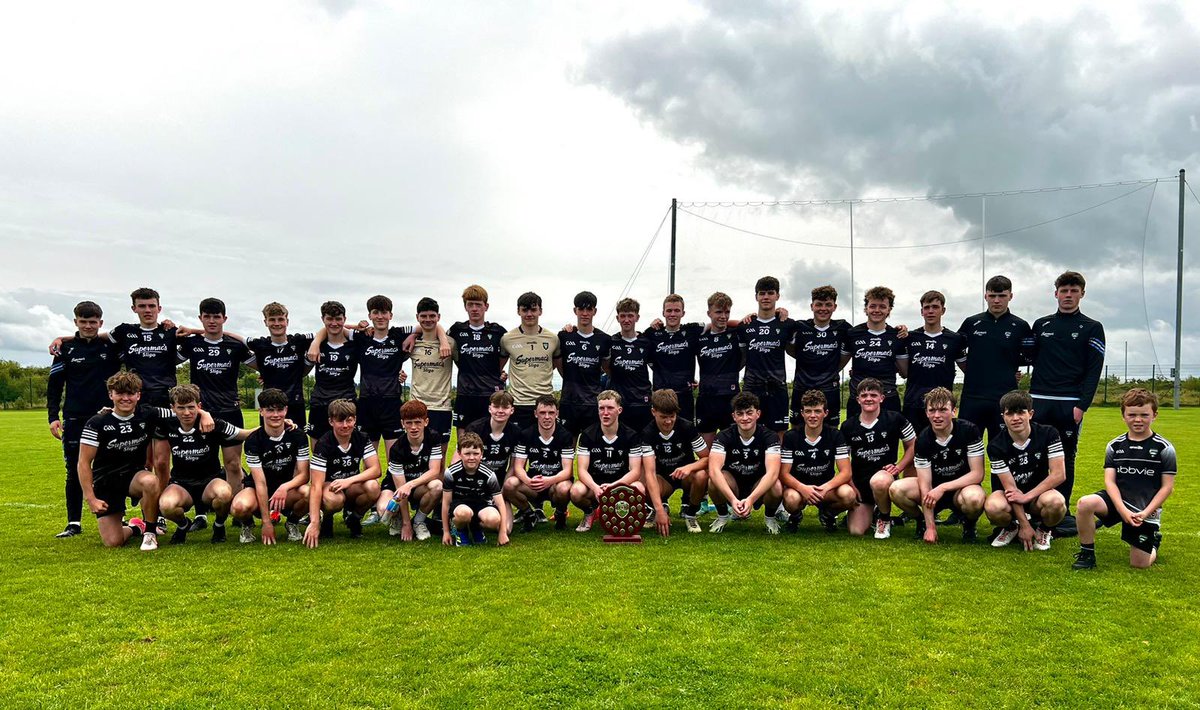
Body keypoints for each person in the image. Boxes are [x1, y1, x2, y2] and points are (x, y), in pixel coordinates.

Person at [1029, 270, 1106, 537]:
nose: (1069, 295)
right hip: (1039, 400)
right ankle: (1035, 509)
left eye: (1074, 291)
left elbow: (1094, 370)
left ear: (1082, 294)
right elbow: (1028, 357)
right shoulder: (1041, 324)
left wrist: (1082, 404)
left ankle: (1060, 513)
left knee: (1064, 458)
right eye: (1064, 291)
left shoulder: (1092, 327)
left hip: (1069, 403)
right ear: (1056, 294)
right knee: (1034, 455)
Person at [76, 371, 187, 551]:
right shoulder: (96, 423)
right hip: (106, 481)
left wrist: (203, 414)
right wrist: (91, 499)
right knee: (113, 542)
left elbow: (182, 411)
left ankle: (150, 532)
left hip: (134, 476)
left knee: (150, 481)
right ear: (111, 395)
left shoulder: (149, 413)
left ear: (138, 395)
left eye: (130, 393)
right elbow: (83, 463)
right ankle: (137, 527)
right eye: (120, 393)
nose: (125, 398)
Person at [1073, 388, 1175, 570]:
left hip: (1144, 509)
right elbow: (1110, 482)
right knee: (1085, 503)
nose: (1138, 420)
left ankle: (1153, 543)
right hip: (1116, 502)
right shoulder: (1114, 445)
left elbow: (1167, 487)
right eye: (1132, 415)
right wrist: (1122, 510)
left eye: (1144, 415)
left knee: (1139, 564)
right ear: (1123, 416)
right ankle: (1087, 554)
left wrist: (1145, 513)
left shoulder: (1164, 448)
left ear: (1154, 415)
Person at [46, 300, 120, 538]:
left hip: (107, 417)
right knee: (74, 469)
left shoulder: (111, 348)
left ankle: (117, 514)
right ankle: (74, 523)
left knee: (111, 468)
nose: (88, 326)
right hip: (75, 417)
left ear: (101, 322)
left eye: (93, 322)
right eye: (83, 322)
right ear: (75, 322)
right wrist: (52, 417)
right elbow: (54, 386)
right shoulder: (65, 350)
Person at [157, 384, 258, 544]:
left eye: (191, 407)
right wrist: (108, 413)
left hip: (210, 482)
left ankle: (219, 525)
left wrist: (278, 426)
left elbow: (243, 434)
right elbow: (139, 412)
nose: (187, 413)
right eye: (181, 408)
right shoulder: (166, 423)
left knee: (224, 494)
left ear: (199, 406)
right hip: (181, 484)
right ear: (172, 408)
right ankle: (183, 525)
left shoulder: (213, 424)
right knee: (166, 505)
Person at [175, 297, 256, 494]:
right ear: (200, 318)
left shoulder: (235, 346)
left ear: (224, 319)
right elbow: (165, 363)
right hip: (202, 413)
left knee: (233, 463)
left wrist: (264, 375)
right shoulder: (192, 344)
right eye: (207, 317)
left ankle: (237, 510)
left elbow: (261, 365)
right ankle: (204, 510)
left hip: (230, 410)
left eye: (216, 317)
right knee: (203, 462)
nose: (212, 321)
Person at [889, 388, 986, 544]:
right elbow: (924, 483)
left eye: (943, 410)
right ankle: (921, 522)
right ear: (926, 413)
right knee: (897, 489)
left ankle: (969, 524)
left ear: (954, 411)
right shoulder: (923, 439)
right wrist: (931, 527)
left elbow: (977, 474)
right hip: (932, 489)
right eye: (932, 410)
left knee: (974, 498)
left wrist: (943, 488)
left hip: (961, 489)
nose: (937, 416)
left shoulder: (969, 430)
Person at [982, 391, 1067, 551]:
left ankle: (1044, 529)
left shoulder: (1049, 433)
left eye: (1021, 412)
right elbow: (1010, 489)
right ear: (1003, 416)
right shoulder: (995, 445)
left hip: (1038, 495)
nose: (1015, 418)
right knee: (993, 507)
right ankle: (1010, 528)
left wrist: (1027, 496)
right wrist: (1024, 525)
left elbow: (1059, 474)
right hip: (1009, 496)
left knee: (1057, 502)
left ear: (1031, 414)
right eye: (1010, 413)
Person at [956, 275, 1032, 442]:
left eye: (1002, 296)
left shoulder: (1021, 326)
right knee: (967, 447)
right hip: (973, 397)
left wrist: (1010, 368)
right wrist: (969, 369)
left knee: (1002, 448)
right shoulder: (971, 322)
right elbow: (956, 349)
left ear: (1010, 296)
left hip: (1004, 399)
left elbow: (1030, 357)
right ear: (985, 296)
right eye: (992, 296)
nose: (997, 300)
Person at [230, 388, 311, 545]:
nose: (275, 415)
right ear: (261, 411)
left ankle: (292, 522)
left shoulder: (298, 436)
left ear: (286, 410)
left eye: (280, 410)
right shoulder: (253, 441)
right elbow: (260, 482)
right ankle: (248, 525)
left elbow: (304, 475)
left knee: (309, 492)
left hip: (286, 491)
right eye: (270, 410)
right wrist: (266, 522)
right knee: (238, 507)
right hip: (257, 489)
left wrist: (284, 487)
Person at [839, 377, 916, 539]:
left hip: (884, 478)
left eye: (873, 395)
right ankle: (874, 510)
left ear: (882, 398)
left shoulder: (896, 419)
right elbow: (843, 460)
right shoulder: (848, 426)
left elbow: (913, 445)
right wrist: (851, 485)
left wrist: (899, 467)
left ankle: (884, 518)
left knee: (879, 481)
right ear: (858, 399)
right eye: (864, 395)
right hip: (861, 483)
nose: (868, 398)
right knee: (856, 531)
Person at [303, 399, 381, 544]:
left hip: (351, 485)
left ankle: (354, 518)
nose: (345, 425)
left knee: (373, 486)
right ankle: (326, 518)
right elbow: (315, 485)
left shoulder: (362, 438)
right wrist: (314, 522)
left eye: (349, 420)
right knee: (334, 500)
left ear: (355, 420)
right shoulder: (324, 444)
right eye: (340, 421)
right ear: (331, 421)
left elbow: (376, 470)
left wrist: (348, 481)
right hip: (330, 486)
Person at [779, 389, 855, 533]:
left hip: (825, 489)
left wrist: (825, 488)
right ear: (802, 413)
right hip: (799, 489)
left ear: (825, 413)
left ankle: (828, 515)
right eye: (808, 411)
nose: (812, 416)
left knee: (848, 495)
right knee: (791, 499)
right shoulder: (791, 436)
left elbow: (846, 472)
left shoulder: (835, 435)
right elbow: (783, 473)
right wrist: (803, 488)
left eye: (817, 411)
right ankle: (795, 516)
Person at [707, 392, 784, 533]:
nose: (745, 418)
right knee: (713, 480)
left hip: (758, 486)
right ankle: (723, 516)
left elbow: (773, 473)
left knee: (776, 485)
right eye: (740, 414)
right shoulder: (723, 436)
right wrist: (732, 500)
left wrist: (750, 500)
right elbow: (713, 470)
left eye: (749, 413)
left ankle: (770, 518)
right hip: (733, 485)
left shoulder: (770, 436)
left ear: (758, 414)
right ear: (734, 416)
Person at [350, 295, 417, 457]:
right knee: (368, 462)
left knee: (395, 458)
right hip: (367, 404)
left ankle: (393, 484)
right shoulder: (362, 338)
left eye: (384, 312)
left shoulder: (398, 334)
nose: (380, 316)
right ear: (370, 316)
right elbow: (332, 326)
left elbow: (426, 326)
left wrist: (413, 335)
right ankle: (371, 484)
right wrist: (357, 327)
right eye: (375, 312)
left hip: (392, 404)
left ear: (391, 315)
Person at [571, 390, 647, 532]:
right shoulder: (587, 434)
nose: (605, 413)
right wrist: (595, 488)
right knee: (576, 491)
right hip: (596, 485)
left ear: (619, 410)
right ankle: (590, 512)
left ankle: (621, 516)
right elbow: (581, 470)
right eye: (601, 408)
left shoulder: (631, 435)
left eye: (610, 408)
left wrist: (614, 486)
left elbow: (636, 471)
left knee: (640, 488)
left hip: (621, 484)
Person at [640, 389, 709, 534]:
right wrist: (659, 510)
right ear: (653, 412)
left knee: (702, 475)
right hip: (662, 479)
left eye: (672, 416)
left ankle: (690, 514)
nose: (668, 421)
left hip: (686, 477)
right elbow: (650, 473)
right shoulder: (647, 432)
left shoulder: (687, 427)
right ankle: (655, 509)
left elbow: (707, 458)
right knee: (642, 480)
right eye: (663, 416)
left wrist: (689, 467)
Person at [900, 291, 967, 437]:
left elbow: (969, 369)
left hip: (942, 405)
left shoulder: (955, 339)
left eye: (935, 307)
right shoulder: (909, 337)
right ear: (921, 311)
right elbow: (902, 370)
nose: (930, 311)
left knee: (942, 446)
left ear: (943, 310)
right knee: (915, 448)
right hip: (914, 403)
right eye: (927, 307)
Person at [506, 394, 575, 531]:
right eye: (542, 413)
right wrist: (528, 480)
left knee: (564, 488)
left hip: (555, 483)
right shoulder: (526, 434)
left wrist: (549, 480)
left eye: (551, 413)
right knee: (509, 484)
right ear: (535, 414)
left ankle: (560, 513)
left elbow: (568, 471)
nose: (547, 417)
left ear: (557, 414)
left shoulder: (565, 436)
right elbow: (518, 466)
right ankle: (529, 514)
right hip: (534, 484)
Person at [738, 276, 795, 438]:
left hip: (777, 388)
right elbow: (723, 324)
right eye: (762, 293)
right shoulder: (745, 325)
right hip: (752, 388)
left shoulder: (787, 324)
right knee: (749, 434)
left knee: (779, 436)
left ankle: (776, 464)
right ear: (756, 296)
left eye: (770, 293)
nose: (766, 297)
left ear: (777, 296)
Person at [448, 285, 508, 440]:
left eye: (478, 305)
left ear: (486, 306)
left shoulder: (498, 332)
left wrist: (497, 372)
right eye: (470, 305)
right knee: (464, 442)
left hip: (490, 394)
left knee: (490, 441)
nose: (474, 309)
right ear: (465, 307)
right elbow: (436, 333)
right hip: (465, 394)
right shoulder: (456, 330)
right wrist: (413, 335)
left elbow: (507, 353)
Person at [380, 400, 445, 541]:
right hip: (397, 487)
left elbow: (434, 471)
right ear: (402, 424)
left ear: (426, 422)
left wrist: (410, 484)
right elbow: (400, 487)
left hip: (416, 485)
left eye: (418, 422)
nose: (413, 427)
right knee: (382, 508)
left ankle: (419, 521)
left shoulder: (433, 437)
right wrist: (405, 523)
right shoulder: (397, 448)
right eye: (409, 423)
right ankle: (398, 518)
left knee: (437, 486)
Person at [840, 286, 907, 420]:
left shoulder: (897, 336)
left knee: (889, 440)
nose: (877, 310)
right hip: (858, 399)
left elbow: (905, 372)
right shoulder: (852, 334)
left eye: (882, 306)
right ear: (866, 309)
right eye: (873, 306)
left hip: (888, 398)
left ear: (889, 310)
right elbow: (838, 365)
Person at [789, 285, 851, 428]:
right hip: (802, 387)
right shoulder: (799, 327)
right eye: (819, 304)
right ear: (812, 306)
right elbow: (790, 349)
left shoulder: (843, 327)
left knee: (831, 430)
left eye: (828, 304)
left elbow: (847, 355)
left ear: (835, 306)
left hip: (829, 388)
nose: (823, 308)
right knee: (797, 429)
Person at [245, 302, 314, 428]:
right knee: (269, 444)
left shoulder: (299, 342)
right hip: (269, 407)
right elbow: (232, 339)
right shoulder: (260, 345)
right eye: (272, 320)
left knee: (298, 443)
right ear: (265, 322)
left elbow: (329, 329)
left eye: (281, 319)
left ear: (287, 321)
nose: (277, 323)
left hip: (295, 403)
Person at [500, 291, 561, 430]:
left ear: (540, 311)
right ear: (518, 311)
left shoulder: (553, 339)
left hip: (544, 404)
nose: (529, 314)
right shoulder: (507, 338)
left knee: (543, 448)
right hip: (518, 403)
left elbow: (558, 366)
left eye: (533, 309)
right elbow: (497, 367)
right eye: (524, 310)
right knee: (517, 449)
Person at [441, 432, 510, 546]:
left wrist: (502, 533)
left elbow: (500, 503)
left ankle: (476, 528)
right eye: (467, 453)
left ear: (481, 454)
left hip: (481, 505)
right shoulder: (451, 472)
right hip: (460, 506)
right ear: (459, 453)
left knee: (494, 520)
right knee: (464, 513)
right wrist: (446, 532)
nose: (471, 457)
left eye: (475, 453)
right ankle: (460, 530)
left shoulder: (488, 473)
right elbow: (446, 502)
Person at [305, 301, 361, 443]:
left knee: (347, 447)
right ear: (323, 319)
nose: (334, 323)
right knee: (317, 447)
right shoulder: (315, 344)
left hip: (346, 401)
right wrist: (316, 342)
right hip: (320, 402)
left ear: (344, 319)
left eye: (338, 319)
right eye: (329, 319)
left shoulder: (355, 344)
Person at [557, 291, 610, 436]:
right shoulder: (564, 336)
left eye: (589, 309)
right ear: (575, 311)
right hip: (569, 402)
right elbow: (559, 365)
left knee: (592, 448)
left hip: (592, 403)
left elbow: (608, 369)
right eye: (581, 309)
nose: (585, 313)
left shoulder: (604, 339)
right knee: (567, 448)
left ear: (595, 311)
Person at [694, 292, 743, 446]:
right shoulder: (699, 336)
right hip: (706, 398)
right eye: (718, 312)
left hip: (730, 398)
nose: (723, 316)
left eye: (727, 312)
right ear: (709, 313)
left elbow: (746, 323)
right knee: (705, 452)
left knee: (731, 449)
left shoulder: (736, 334)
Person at [643, 294, 701, 423]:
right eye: (669, 310)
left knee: (686, 435)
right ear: (663, 312)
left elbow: (717, 323)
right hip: (661, 395)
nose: (672, 314)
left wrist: (745, 319)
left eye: (676, 310)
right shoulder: (651, 333)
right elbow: (645, 357)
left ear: (683, 313)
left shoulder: (692, 330)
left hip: (684, 395)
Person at [408, 297, 456, 444]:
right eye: (423, 316)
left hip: (442, 407)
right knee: (416, 454)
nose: (428, 320)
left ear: (438, 317)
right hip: (417, 406)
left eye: (432, 316)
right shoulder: (411, 342)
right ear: (417, 317)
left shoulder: (450, 343)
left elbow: (467, 367)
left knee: (440, 459)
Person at [606, 298, 655, 432]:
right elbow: (605, 367)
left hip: (641, 402)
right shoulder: (610, 342)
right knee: (621, 444)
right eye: (623, 316)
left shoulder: (646, 341)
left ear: (637, 317)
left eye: (630, 316)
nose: (626, 320)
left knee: (643, 445)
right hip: (619, 402)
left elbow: (657, 366)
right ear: (617, 318)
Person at [458, 391, 522, 485]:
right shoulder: (475, 429)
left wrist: (502, 493)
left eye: (505, 407)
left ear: (512, 410)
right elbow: (461, 459)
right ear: (489, 408)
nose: (500, 411)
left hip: (499, 481)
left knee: (512, 484)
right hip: (474, 481)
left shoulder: (516, 432)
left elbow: (513, 466)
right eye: (496, 406)